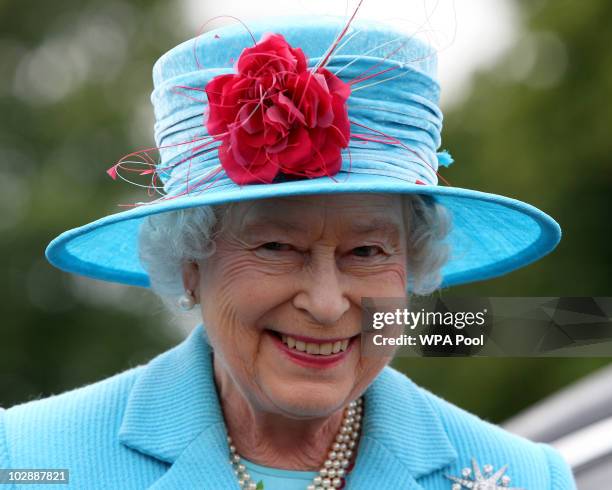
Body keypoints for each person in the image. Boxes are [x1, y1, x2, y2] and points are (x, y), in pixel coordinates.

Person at [0, 15, 575, 490]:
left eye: (367, 251)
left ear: (413, 264)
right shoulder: (27, 461)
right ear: (191, 263)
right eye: (277, 246)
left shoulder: (528, 478)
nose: (326, 304)